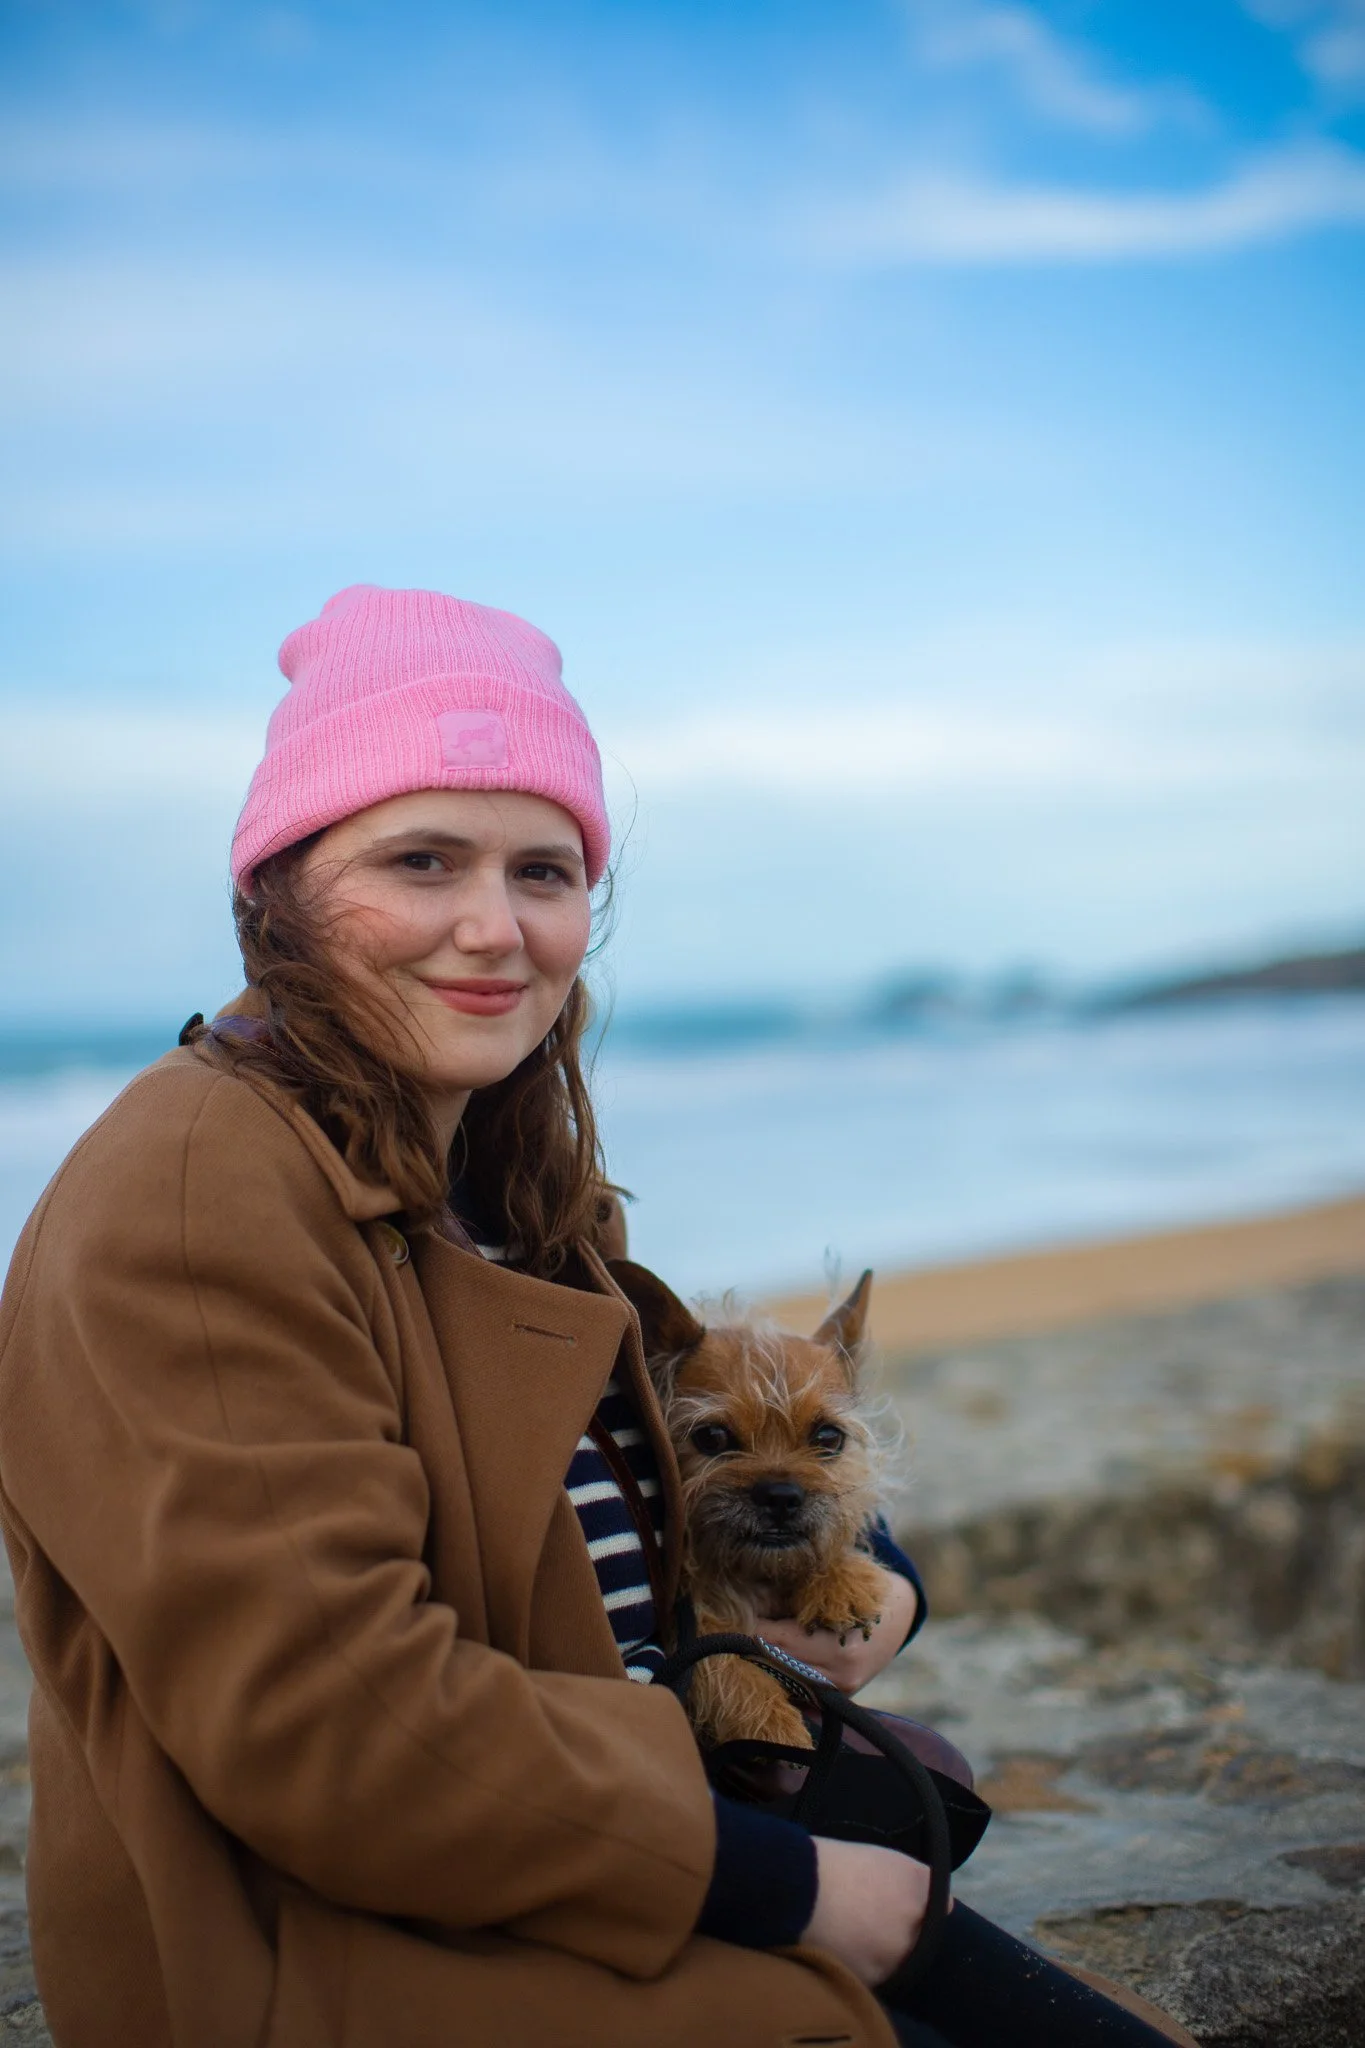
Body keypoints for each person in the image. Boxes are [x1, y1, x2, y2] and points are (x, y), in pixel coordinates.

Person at [0, 585, 1197, 2047]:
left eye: (546, 872)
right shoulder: (196, 1193)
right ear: (278, 893)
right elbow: (335, 1734)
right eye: (421, 861)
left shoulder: (495, 1177)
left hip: (586, 1875)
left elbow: (654, 1467)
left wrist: (871, 1570)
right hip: (340, 1964)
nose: (494, 930)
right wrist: (782, 1884)